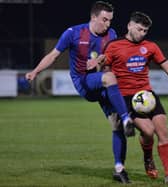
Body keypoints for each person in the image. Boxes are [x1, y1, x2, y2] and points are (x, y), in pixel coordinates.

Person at [25, 1, 134, 184]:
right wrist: (35, 71)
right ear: (93, 17)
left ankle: (119, 169)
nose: (108, 24)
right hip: (84, 83)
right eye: (104, 20)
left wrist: (100, 60)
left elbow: (109, 58)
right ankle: (127, 117)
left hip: (101, 83)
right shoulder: (73, 33)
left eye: (110, 20)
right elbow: (53, 55)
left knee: (116, 127)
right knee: (109, 78)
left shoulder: (112, 34)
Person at [102, 11, 168, 185]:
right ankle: (148, 157)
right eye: (140, 29)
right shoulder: (114, 46)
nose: (142, 34)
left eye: (145, 31)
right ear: (130, 25)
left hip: (147, 95)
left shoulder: (150, 47)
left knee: (163, 131)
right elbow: (106, 72)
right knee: (147, 131)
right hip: (126, 97)